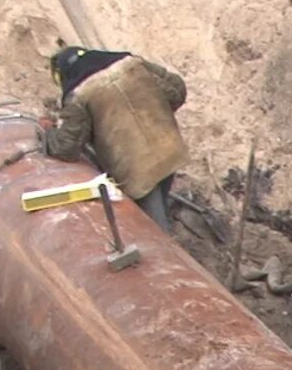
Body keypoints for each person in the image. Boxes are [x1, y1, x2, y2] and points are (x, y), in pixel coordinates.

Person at [43, 46, 188, 233]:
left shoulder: (79, 94)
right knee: (160, 201)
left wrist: (49, 132)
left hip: (137, 170)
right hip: (169, 147)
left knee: (155, 230)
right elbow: (177, 89)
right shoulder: (132, 63)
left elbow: (66, 147)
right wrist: (156, 115)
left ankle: (168, 252)